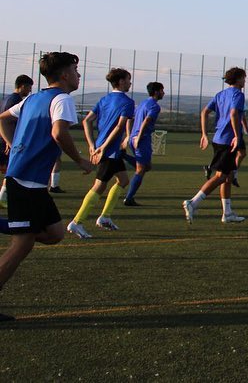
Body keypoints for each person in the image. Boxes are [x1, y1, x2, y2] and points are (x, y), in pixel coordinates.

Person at [0, 52, 93, 322]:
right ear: (64, 75)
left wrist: (13, 145)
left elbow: (2, 119)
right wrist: (80, 160)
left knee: (55, 233)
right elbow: (58, 133)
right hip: (26, 181)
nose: (78, 75)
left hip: (29, 180)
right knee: (22, 244)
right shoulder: (62, 99)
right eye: (75, 70)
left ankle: (14, 225)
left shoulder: (33, 98)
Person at [67, 68, 135, 237]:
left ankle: (105, 217)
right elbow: (119, 126)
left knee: (123, 180)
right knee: (99, 185)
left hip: (107, 149)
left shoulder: (104, 99)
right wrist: (103, 147)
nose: (130, 82)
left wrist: (92, 144)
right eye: (128, 79)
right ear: (121, 81)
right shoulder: (127, 102)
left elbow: (87, 121)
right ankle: (77, 222)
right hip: (108, 150)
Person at [182, 67, 248, 224]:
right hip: (228, 141)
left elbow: (204, 112)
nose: (245, 81)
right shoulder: (238, 95)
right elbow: (234, 113)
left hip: (218, 139)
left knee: (228, 176)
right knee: (221, 176)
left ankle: (227, 213)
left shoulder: (220, 94)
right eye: (243, 78)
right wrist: (237, 135)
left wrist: (204, 134)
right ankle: (193, 203)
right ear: (238, 78)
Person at [123, 82, 164, 206]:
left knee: (147, 167)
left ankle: (122, 155)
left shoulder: (142, 103)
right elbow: (146, 121)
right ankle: (129, 198)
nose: (163, 93)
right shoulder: (155, 106)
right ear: (156, 92)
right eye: (162, 90)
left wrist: (129, 135)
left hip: (135, 138)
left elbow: (129, 119)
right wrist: (139, 137)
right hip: (142, 139)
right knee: (141, 169)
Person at [0, 75, 34, 208]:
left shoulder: (7, 98)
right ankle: (3, 197)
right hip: (9, 142)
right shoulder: (16, 100)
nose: (30, 90)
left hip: (6, 140)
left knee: (11, 170)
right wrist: (9, 142)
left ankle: (4, 196)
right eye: (29, 87)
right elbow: (7, 122)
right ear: (23, 86)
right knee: (13, 170)